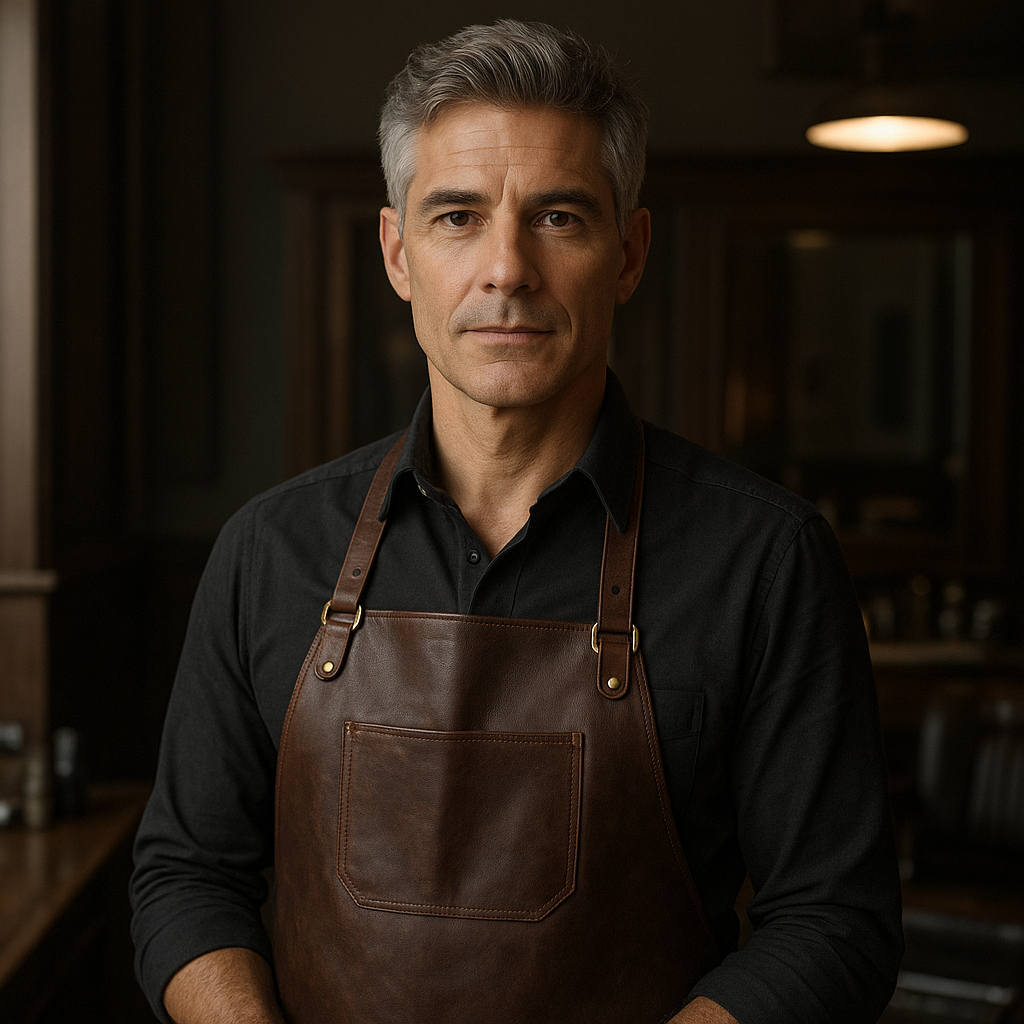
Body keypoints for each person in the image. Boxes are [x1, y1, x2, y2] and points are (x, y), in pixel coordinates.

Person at [131, 20, 903, 1024]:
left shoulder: (766, 559)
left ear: (627, 253)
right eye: (457, 216)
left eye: (559, 218)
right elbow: (184, 878)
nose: (507, 269)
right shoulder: (268, 551)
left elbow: (835, 920)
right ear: (396, 251)